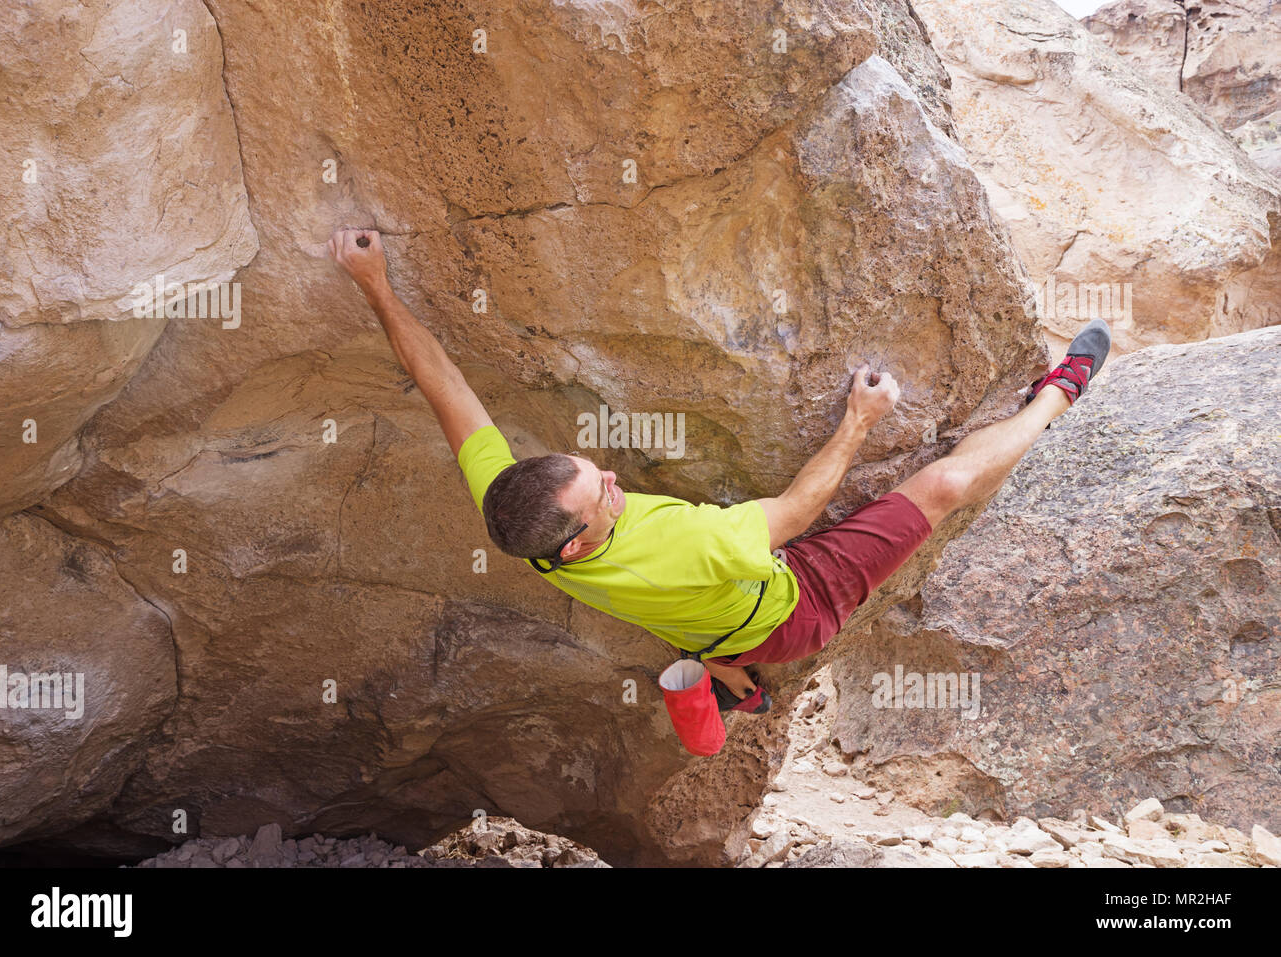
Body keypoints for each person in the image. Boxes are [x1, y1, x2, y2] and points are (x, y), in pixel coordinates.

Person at [328, 227, 1110, 713]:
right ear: (574, 544)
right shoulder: (695, 547)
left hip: (712, 619)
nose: (612, 482)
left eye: (593, 469)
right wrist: (859, 422)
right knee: (941, 488)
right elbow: (800, 510)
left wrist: (376, 287)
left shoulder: (516, 517)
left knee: (705, 626)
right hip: (797, 605)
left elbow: (444, 387)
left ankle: (730, 675)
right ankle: (1060, 394)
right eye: (602, 494)